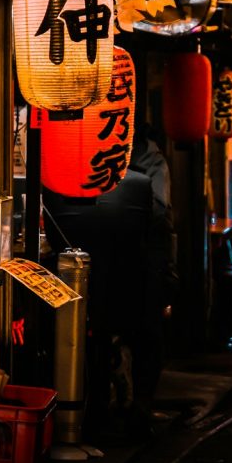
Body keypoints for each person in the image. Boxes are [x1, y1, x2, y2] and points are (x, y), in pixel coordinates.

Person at [43, 167, 167, 442]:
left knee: (89, 341)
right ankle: (139, 411)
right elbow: (157, 232)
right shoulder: (141, 182)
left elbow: (52, 238)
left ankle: (90, 414)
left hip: (70, 289)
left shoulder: (52, 185)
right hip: (130, 286)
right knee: (146, 338)